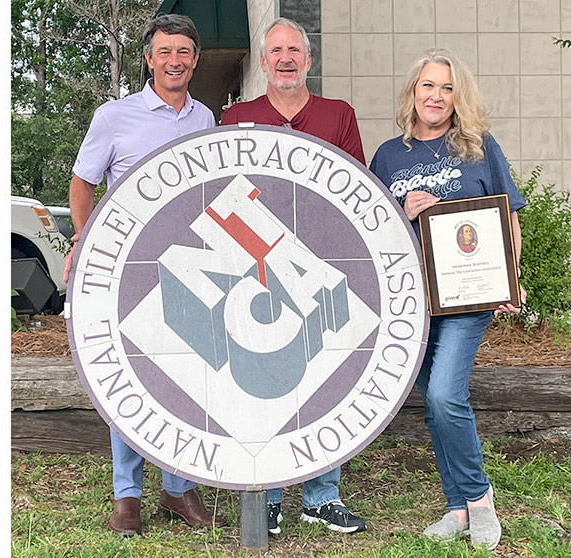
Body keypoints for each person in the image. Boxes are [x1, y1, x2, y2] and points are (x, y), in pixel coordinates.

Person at [63, 13, 224, 536]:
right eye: (165, 52)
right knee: (129, 376)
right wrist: (86, 242)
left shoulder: (206, 120)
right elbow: (83, 183)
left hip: (192, 262)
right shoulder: (115, 115)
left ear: (195, 60)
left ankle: (177, 489)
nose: (174, 61)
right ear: (149, 59)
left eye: (184, 52)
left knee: (185, 374)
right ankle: (127, 495)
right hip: (128, 266)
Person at [370, 48, 525, 550]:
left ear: (459, 97)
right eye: (428, 86)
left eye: (447, 88)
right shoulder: (389, 157)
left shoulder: (479, 149)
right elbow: (371, 231)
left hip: (467, 298)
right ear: (413, 92)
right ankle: (456, 508)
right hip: (410, 301)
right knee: (435, 404)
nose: (436, 96)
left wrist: (510, 278)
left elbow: (508, 220)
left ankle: (478, 498)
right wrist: (401, 206)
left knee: (443, 395)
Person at [220, 17, 367, 535]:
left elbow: (356, 194)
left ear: (309, 60)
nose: (285, 58)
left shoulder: (337, 114)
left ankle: (322, 495)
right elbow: (223, 191)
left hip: (320, 266)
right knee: (267, 379)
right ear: (263, 62)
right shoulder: (238, 117)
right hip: (255, 270)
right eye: (275, 50)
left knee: (326, 378)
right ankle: (273, 492)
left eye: (294, 51)